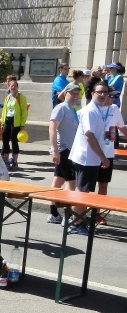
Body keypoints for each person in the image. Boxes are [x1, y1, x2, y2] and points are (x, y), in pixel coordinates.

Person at [67, 81, 111, 235]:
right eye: (99, 92)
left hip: (90, 158)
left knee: (83, 191)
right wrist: (103, 157)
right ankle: (76, 224)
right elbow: (89, 136)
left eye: (105, 92)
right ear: (92, 94)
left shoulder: (97, 110)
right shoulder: (91, 111)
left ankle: (79, 221)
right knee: (82, 192)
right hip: (86, 158)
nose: (103, 95)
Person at [47, 83, 80, 224]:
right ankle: (68, 216)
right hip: (64, 149)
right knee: (71, 182)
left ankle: (53, 213)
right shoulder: (61, 108)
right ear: (66, 93)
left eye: (77, 93)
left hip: (70, 149)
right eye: (72, 93)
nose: (75, 96)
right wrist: (55, 150)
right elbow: (52, 128)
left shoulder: (72, 109)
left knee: (58, 180)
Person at [94, 89, 127, 225]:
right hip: (92, 154)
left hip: (108, 153)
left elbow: (122, 128)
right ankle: (78, 215)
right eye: (111, 97)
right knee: (86, 187)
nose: (113, 100)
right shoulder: (93, 108)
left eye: (115, 97)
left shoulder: (114, 109)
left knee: (103, 185)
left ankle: (97, 214)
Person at [0, 78, 28, 170]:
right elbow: (4, 111)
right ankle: (6, 160)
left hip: (15, 122)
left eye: (15, 86)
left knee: (14, 141)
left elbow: (24, 112)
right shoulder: (7, 98)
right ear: (9, 87)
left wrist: (22, 124)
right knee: (5, 140)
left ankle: (15, 161)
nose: (13, 87)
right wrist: (2, 122)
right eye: (12, 86)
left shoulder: (21, 97)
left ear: (17, 87)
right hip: (7, 120)